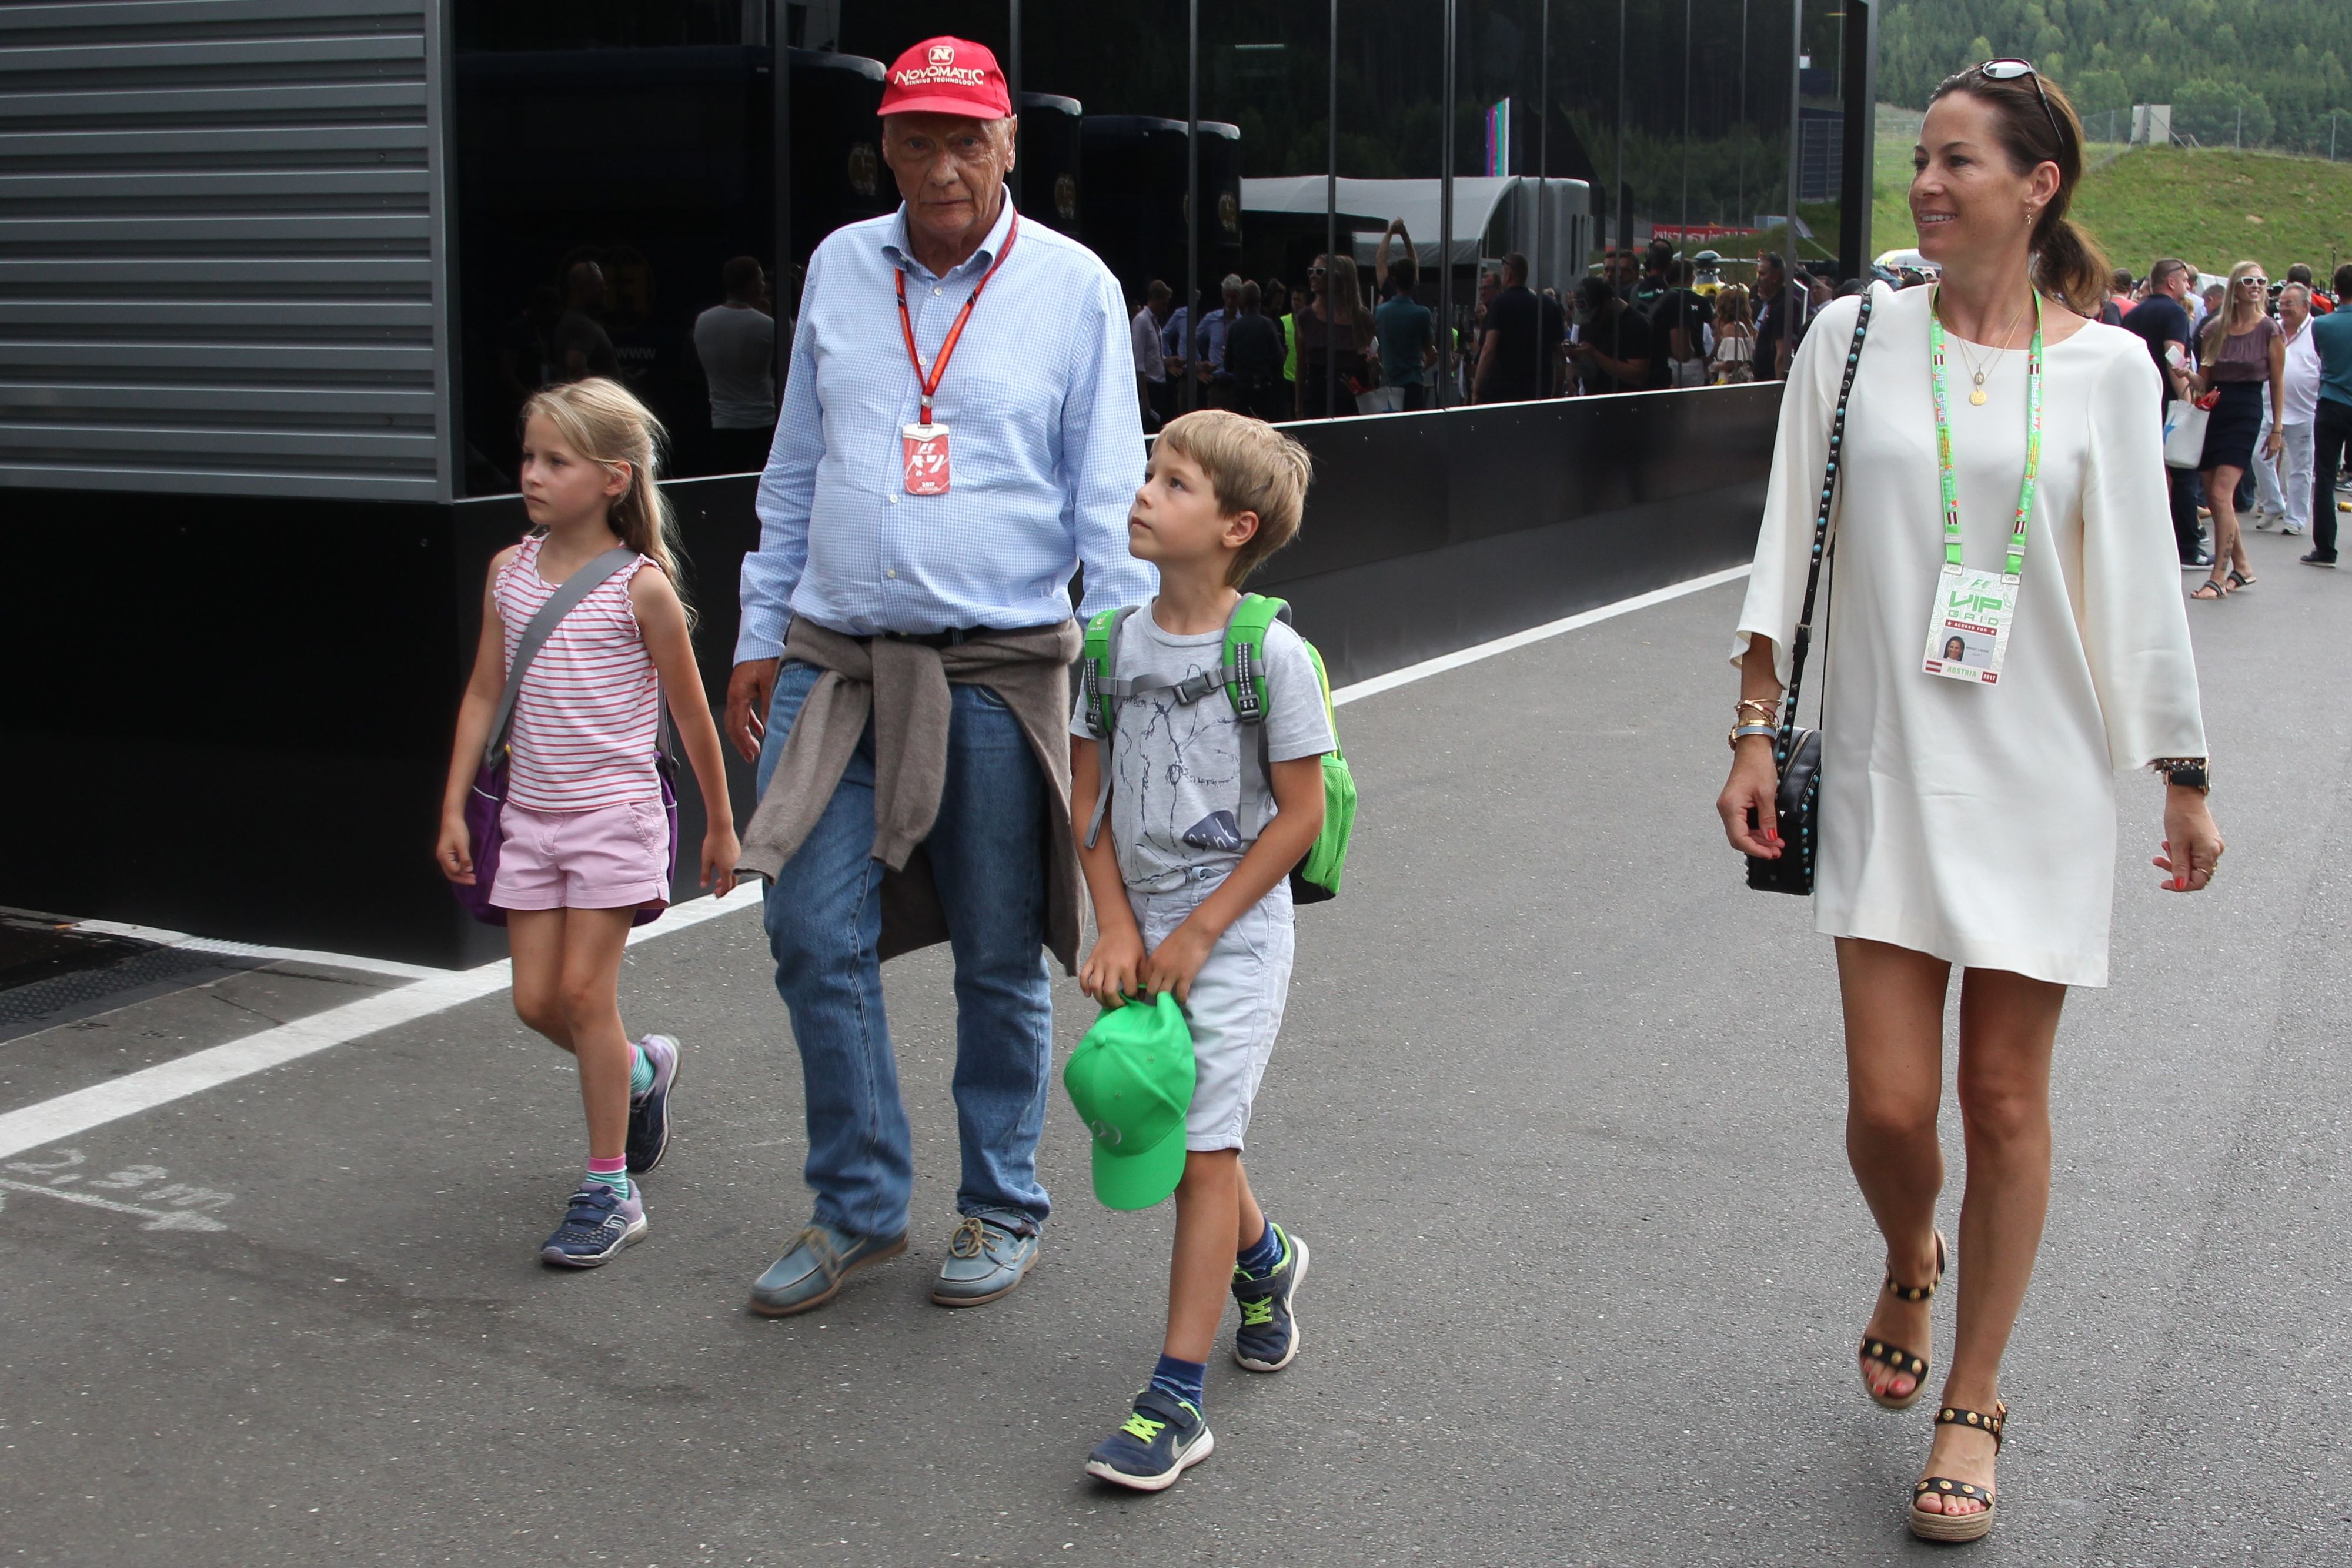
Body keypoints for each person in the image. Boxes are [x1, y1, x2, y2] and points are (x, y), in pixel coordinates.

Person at [1716, 62, 2221, 1545]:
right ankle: (1910, 1251)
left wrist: (2181, 776)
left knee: (2002, 1097)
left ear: (2037, 184)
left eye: (1955, 164)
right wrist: (1753, 730)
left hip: (2040, 773)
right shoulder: (1851, 336)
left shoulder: (2111, 372)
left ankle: (1975, 1396)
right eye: (1919, 165)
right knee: (1886, 1105)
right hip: (1880, 765)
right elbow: (1781, 556)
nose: (1926, 187)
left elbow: (2137, 586)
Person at [722, 37, 1158, 1317]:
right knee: (809, 932)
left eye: (968, 138)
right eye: (918, 139)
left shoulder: (1072, 289)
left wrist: (1120, 694)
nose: (944, 164)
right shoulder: (838, 269)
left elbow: (1106, 504)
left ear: (1009, 142)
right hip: (835, 659)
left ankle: (1000, 1202)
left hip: (1000, 666)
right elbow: (795, 468)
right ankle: (859, 1207)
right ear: (886, 147)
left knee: (994, 947)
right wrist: (757, 625)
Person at [1067, 409, 1329, 1491]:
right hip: (1147, 924)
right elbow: (1084, 794)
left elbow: (1299, 816)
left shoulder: (1269, 652)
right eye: (1148, 474)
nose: (1143, 494)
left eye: (1172, 484)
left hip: (1236, 928)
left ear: (1236, 525)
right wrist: (1117, 923)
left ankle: (1175, 1396)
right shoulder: (1108, 642)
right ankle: (1264, 1262)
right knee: (1187, 1115)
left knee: (1202, 1150)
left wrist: (1199, 931)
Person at [436, 377, 740, 1268]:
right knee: (536, 1000)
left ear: (612, 478)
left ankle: (610, 1184)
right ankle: (642, 1072)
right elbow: (486, 689)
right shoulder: (508, 571)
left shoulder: (641, 589)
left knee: (581, 996)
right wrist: (454, 802)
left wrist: (721, 825)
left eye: (554, 460)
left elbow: (690, 716)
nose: (531, 472)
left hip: (614, 814)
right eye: (529, 455)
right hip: (528, 813)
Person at [2187, 260, 2283, 600]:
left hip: (2246, 411)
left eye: (2261, 280)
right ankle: (2242, 567)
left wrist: (2277, 430)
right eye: (2249, 280)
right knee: (2216, 494)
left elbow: (2277, 382)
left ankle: (2218, 575)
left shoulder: (2269, 330)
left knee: (2220, 495)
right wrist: (2187, 374)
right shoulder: (2214, 330)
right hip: (2215, 410)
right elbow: (2205, 380)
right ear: (2235, 287)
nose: (2256, 286)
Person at [2120, 258, 2208, 567]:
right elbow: (2176, 359)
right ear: (2171, 282)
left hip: (2139, 402)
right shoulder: (2174, 312)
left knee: (2145, 473)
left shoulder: (2135, 314)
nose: (2188, 286)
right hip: (2168, 403)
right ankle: (2188, 545)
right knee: (2183, 474)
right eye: (2185, 280)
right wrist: (2186, 400)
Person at [693, 256, 779, 474]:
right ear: (751, 284)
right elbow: (794, 345)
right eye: (761, 280)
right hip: (763, 422)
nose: (764, 285)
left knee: (727, 491)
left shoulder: (704, 320)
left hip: (723, 424)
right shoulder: (767, 325)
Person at [2256, 282, 2317, 533]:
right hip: (2271, 407)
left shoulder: (2316, 331)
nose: (2284, 309)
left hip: (2305, 409)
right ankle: (2273, 503)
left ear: (2305, 306)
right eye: (2281, 304)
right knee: (2257, 456)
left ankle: (2295, 519)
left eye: (2289, 304)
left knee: (2301, 466)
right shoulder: (2274, 329)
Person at [2302, 262, 2352, 567]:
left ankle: (2325, 547)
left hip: (2332, 401)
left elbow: (2322, 356)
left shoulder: (2322, 325)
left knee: (2325, 475)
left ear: (2336, 291)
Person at [1472, 252, 1563, 403]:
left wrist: (1476, 390)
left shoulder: (1500, 304)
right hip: (1539, 392)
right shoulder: (1549, 306)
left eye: (1502, 274)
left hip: (1504, 393)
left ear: (1508, 276)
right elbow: (1559, 354)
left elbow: (1489, 349)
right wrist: (1557, 392)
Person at [1295, 253, 1371, 418]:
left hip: (1352, 401)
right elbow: (1301, 366)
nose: (1313, 276)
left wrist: (1374, 368)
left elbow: (1370, 366)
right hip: (1316, 399)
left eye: (1320, 271)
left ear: (1339, 278)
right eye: (1311, 271)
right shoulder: (1305, 318)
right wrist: (1298, 407)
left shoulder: (1362, 319)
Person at [1565, 275, 1653, 396]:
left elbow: (1638, 375)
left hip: (1624, 402)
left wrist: (1595, 354)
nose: (1591, 321)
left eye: (1594, 316)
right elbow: (1587, 372)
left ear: (1607, 302)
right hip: (1590, 398)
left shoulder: (1635, 324)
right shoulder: (1585, 321)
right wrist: (1575, 357)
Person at [1372, 254, 1435, 411]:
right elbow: (1432, 354)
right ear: (1414, 281)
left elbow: (1377, 351)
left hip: (1389, 384)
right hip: (1413, 385)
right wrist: (1419, 368)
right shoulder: (1422, 314)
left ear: (1394, 280)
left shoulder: (1381, 312)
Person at [1222, 280, 1288, 423]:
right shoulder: (1268, 325)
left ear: (1242, 301)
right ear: (1259, 300)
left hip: (1241, 391)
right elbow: (1279, 358)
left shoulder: (1234, 328)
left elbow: (1227, 365)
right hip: (1264, 390)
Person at [550, 260, 620, 383]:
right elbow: (575, 365)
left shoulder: (576, 320)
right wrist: (593, 399)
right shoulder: (581, 324)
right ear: (579, 289)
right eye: (597, 285)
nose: (604, 289)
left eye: (603, 284)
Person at [1656, 258, 1714, 389]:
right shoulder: (1701, 302)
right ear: (1690, 277)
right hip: (1693, 362)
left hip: (1663, 361)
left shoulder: (1660, 300)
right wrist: (1712, 356)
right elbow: (1719, 327)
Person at [1753, 252, 1809, 379]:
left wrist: (1778, 389)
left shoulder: (1783, 305)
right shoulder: (1773, 303)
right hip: (1764, 382)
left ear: (1776, 276)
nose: (1758, 280)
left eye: (1763, 274)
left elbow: (1783, 352)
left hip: (1771, 384)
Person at [1133, 279, 1173, 429]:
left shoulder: (1155, 323)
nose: (1165, 308)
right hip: (1149, 386)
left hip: (1159, 385)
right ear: (1155, 299)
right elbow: (1139, 362)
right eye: (1164, 303)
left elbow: (1155, 356)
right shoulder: (1142, 321)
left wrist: (1168, 361)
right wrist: (1145, 398)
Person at [1710, 282, 1758, 383]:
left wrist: (1715, 366)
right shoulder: (1746, 327)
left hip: (1730, 383)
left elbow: (1734, 362)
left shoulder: (1730, 329)